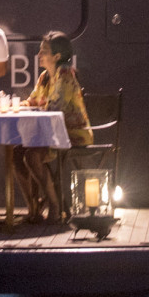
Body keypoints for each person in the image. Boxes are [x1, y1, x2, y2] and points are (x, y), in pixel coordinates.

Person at [15, 31, 91, 223]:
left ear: (57, 56)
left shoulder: (65, 75)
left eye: (44, 51)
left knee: (32, 156)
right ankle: (33, 208)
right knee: (16, 153)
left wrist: (36, 107)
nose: (39, 55)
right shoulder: (44, 77)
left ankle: (55, 206)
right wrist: (15, 106)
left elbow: (56, 108)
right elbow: (32, 101)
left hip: (71, 133)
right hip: (49, 133)